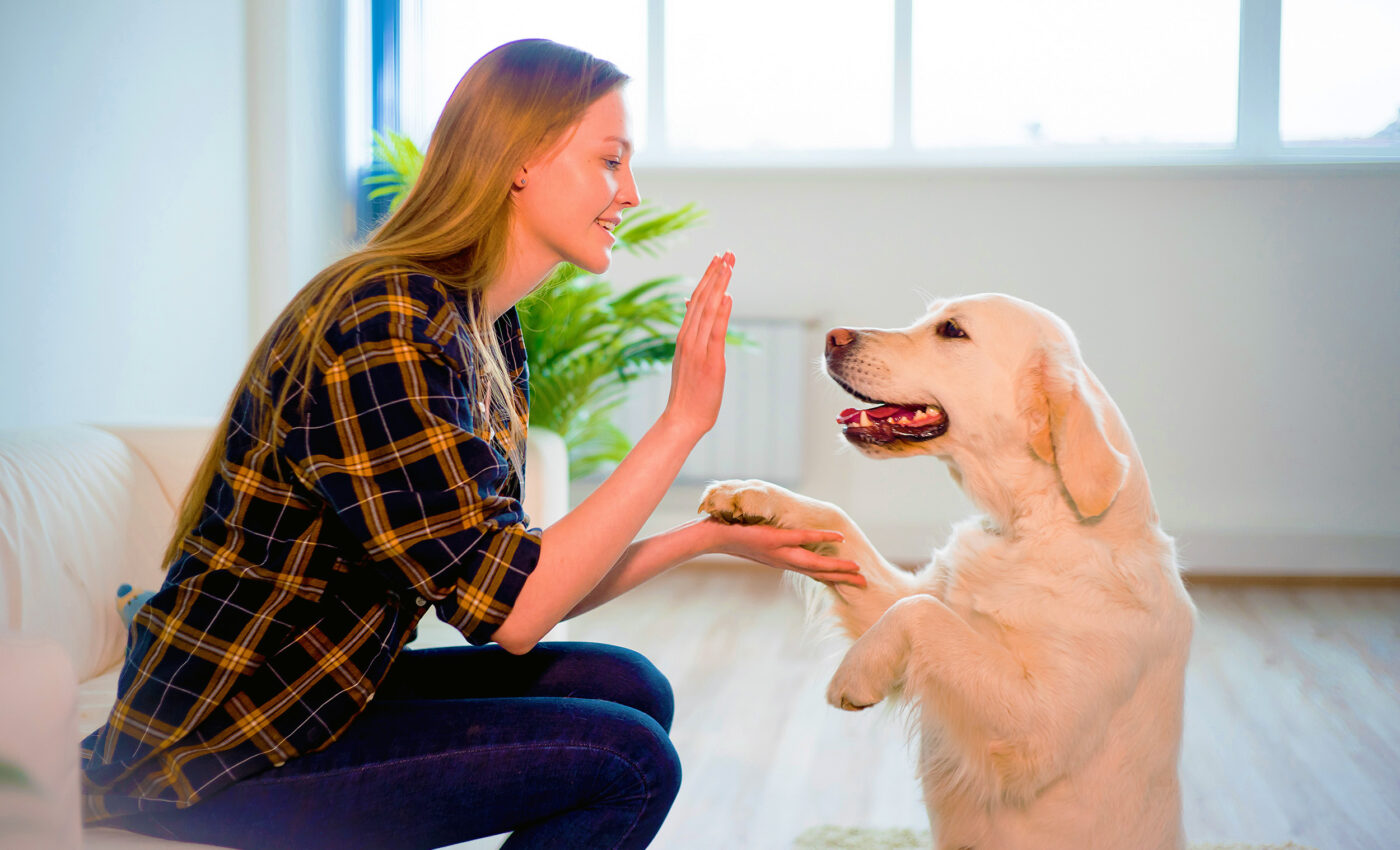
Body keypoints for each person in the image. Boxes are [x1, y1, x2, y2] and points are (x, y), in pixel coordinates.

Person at [80, 38, 863, 850]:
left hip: (323, 696)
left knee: (628, 687)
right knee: (630, 761)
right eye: (610, 161)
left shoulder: (480, 327)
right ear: (521, 160)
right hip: (219, 752)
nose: (630, 194)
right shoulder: (382, 326)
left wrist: (707, 538)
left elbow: (513, 579)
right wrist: (681, 424)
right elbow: (520, 616)